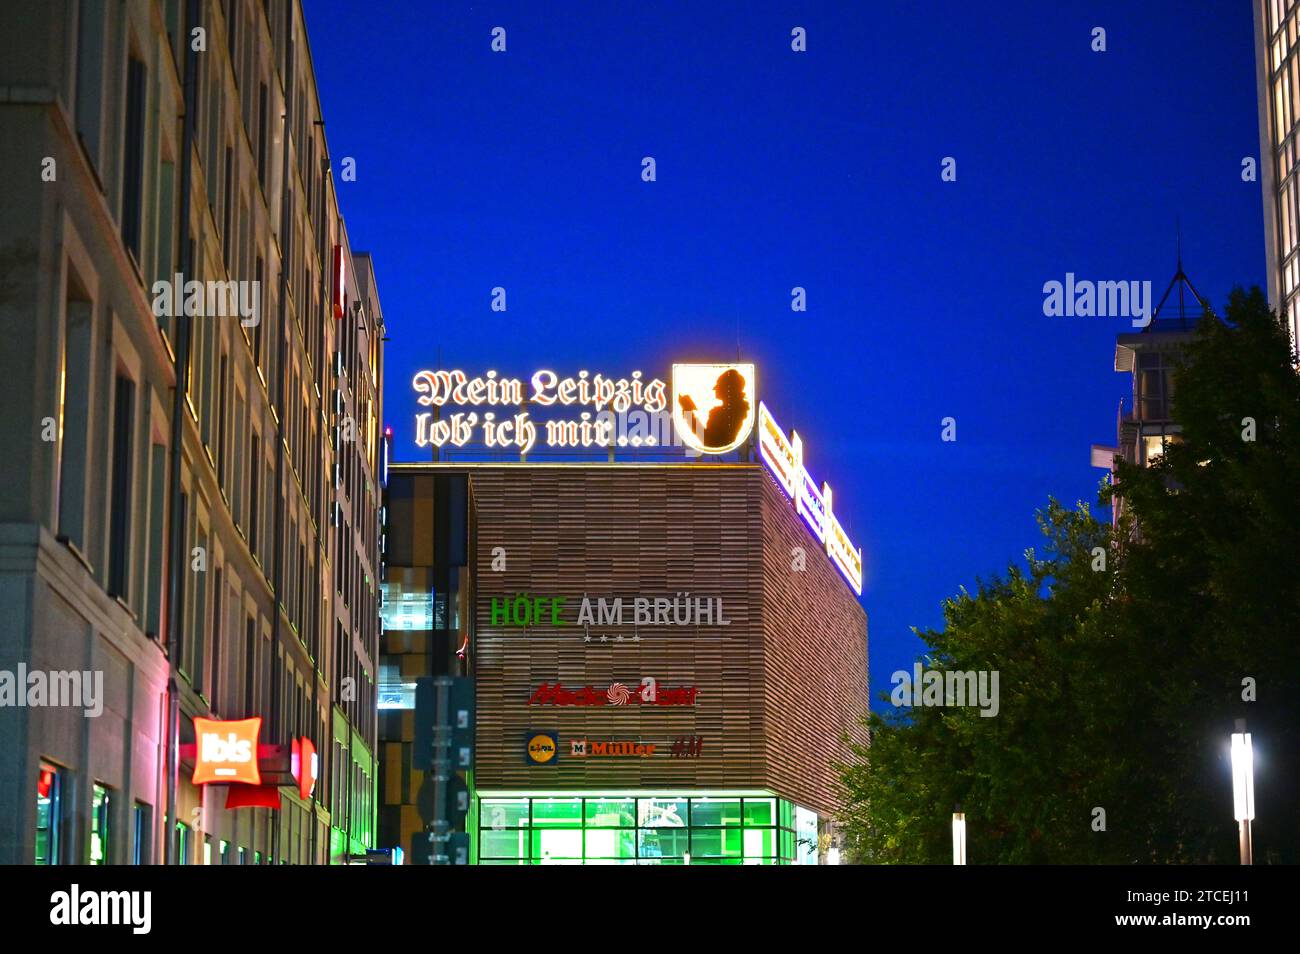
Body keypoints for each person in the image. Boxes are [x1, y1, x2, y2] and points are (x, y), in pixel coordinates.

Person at [678, 368, 750, 448]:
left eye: (719, 385)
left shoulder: (727, 413)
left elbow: (708, 441)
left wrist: (688, 411)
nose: (715, 388)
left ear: (728, 388)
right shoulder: (737, 410)